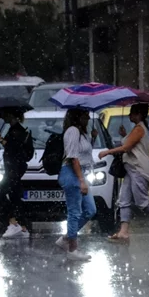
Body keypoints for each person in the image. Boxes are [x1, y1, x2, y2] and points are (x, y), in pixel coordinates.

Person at [98, 103, 149, 242]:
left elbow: (126, 147)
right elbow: (132, 144)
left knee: (142, 202)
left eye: (132, 113)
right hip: (131, 169)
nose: (129, 115)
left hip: (138, 169)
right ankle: (123, 232)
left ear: (139, 114)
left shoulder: (140, 129)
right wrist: (124, 135)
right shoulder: (137, 129)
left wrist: (107, 152)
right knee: (124, 200)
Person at [53, 108, 98, 262]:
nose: (88, 118)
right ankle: (72, 249)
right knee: (75, 212)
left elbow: (84, 154)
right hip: (72, 174)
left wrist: (92, 139)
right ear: (77, 117)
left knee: (90, 210)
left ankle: (66, 238)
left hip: (80, 173)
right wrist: (81, 180)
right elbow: (73, 158)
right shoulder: (72, 131)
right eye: (85, 116)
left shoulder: (82, 133)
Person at [0, 110, 32, 239]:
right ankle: (23, 227)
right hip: (14, 168)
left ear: (12, 115)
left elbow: (12, 147)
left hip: (13, 169)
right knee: (15, 196)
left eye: (6, 114)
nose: (3, 116)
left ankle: (13, 222)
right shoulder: (14, 129)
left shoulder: (17, 130)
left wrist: (0, 139)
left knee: (0, 193)